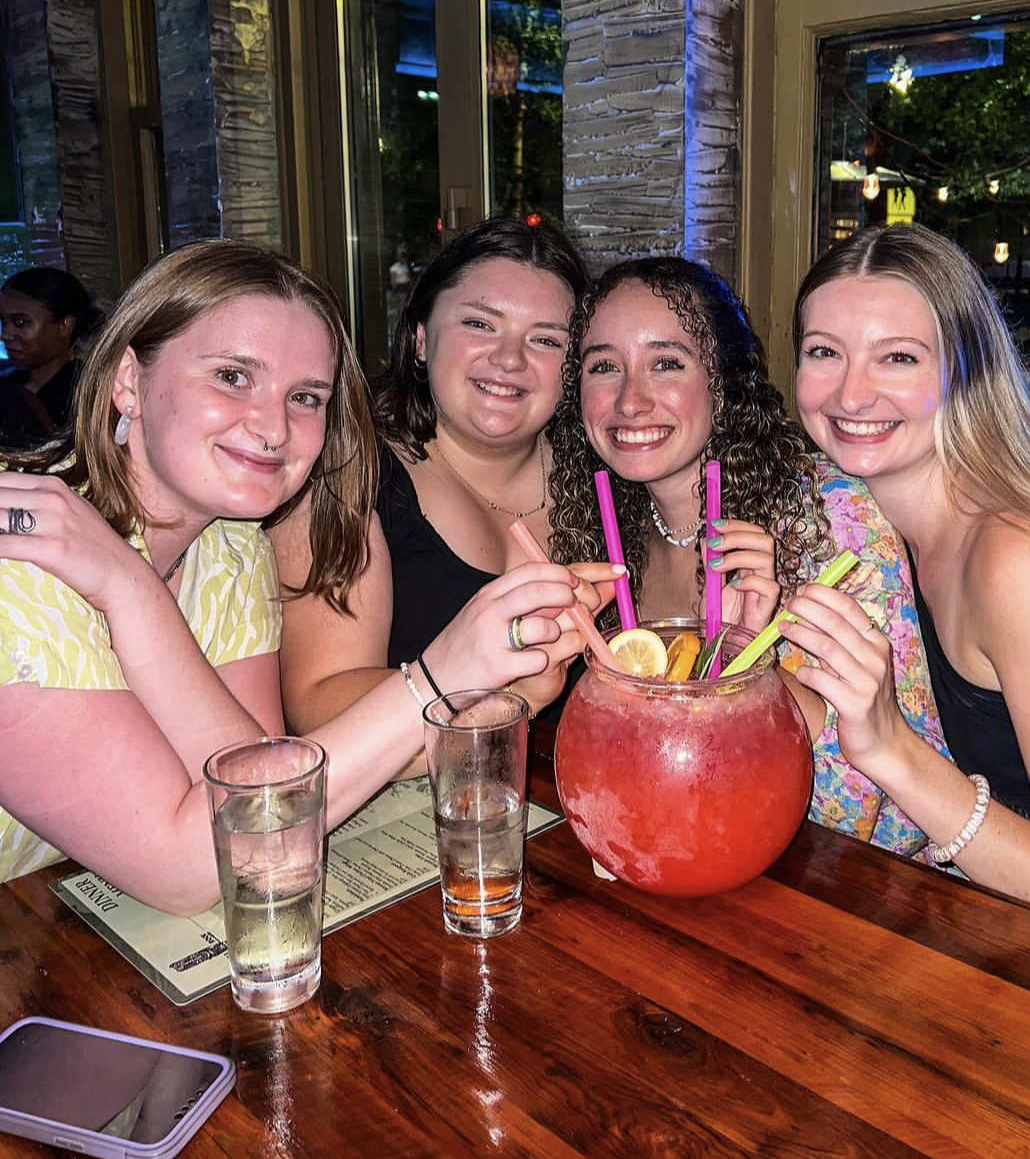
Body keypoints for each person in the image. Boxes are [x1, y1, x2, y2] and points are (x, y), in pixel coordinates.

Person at [0, 240, 594, 914]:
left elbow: (262, 799)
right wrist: (441, 678)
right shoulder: (19, 564)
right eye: (231, 376)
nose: (273, 426)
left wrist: (127, 588)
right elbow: (206, 869)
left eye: (306, 396)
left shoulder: (231, 548)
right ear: (129, 378)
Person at [790, 223, 1030, 943]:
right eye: (824, 353)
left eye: (897, 357)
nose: (851, 392)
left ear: (967, 370)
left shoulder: (1022, 559)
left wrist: (892, 750)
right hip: (1022, 932)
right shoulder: (872, 515)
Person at [547, 256, 948, 852]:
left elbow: (888, 814)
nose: (629, 400)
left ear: (724, 380)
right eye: (604, 366)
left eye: (666, 363)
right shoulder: (604, 534)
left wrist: (754, 668)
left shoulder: (834, 521)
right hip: (679, 854)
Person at [275, 217, 610, 737]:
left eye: (546, 339)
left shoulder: (606, 480)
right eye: (479, 324)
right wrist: (508, 700)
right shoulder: (349, 477)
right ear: (420, 338)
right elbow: (319, 703)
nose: (509, 358)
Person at [0, 267, 102, 450]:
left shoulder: (90, 392)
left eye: (20, 322)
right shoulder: (7, 386)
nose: (6, 334)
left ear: (65, 325)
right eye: (3, 322)